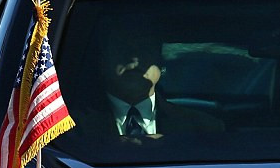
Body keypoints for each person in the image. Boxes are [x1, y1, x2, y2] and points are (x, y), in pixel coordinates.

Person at [93, 30, 224, 141]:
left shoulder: (204, 130)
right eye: (122, 48)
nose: (134, 59)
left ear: (160, 62)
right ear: (102, 60)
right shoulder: (75, 129)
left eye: (144, 49)